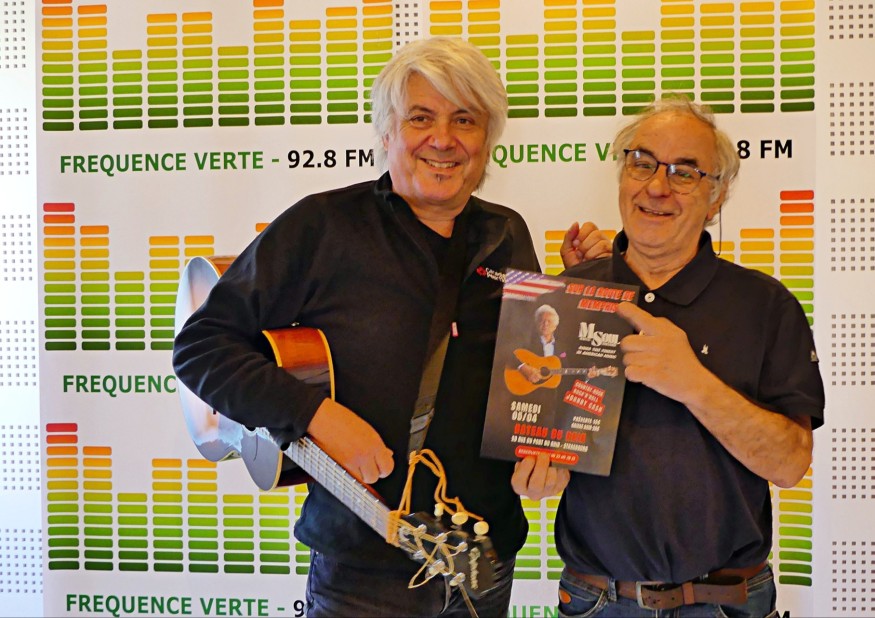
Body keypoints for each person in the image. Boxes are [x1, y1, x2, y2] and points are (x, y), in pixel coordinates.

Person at [173, 37, 609, 617]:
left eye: (465, 120)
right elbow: (201, 347)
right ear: (386, 134)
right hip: (363, 576)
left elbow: (527, 380)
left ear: (487, 140)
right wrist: (317, 416)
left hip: (483, 566)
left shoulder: (508, 232)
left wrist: (580, 292)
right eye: (420, 118)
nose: (443, 139)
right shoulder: (324, 226)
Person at [513, 96, 825, 616]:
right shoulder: (566, 297)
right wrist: (539, 474)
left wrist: (692, 381)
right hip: (596, 601)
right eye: (642, 163)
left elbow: (791, 464)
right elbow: (538, 444)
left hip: (728, 603)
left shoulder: (765, 304)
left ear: (716, 197)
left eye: (685, 172)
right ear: (622, 177)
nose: (657, 187)